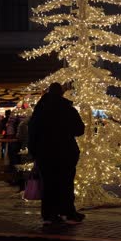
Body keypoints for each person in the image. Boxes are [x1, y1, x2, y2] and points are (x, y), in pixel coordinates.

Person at [28, 82, 85, 226]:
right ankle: (67, 211)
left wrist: (34, 151)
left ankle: (49, 214)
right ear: (61, 93)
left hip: (45, 153)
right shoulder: (67, 109)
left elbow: (32, 131)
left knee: (48, 184)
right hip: (66, 151)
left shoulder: (40, 110)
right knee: (66, 183)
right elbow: (79, 129)